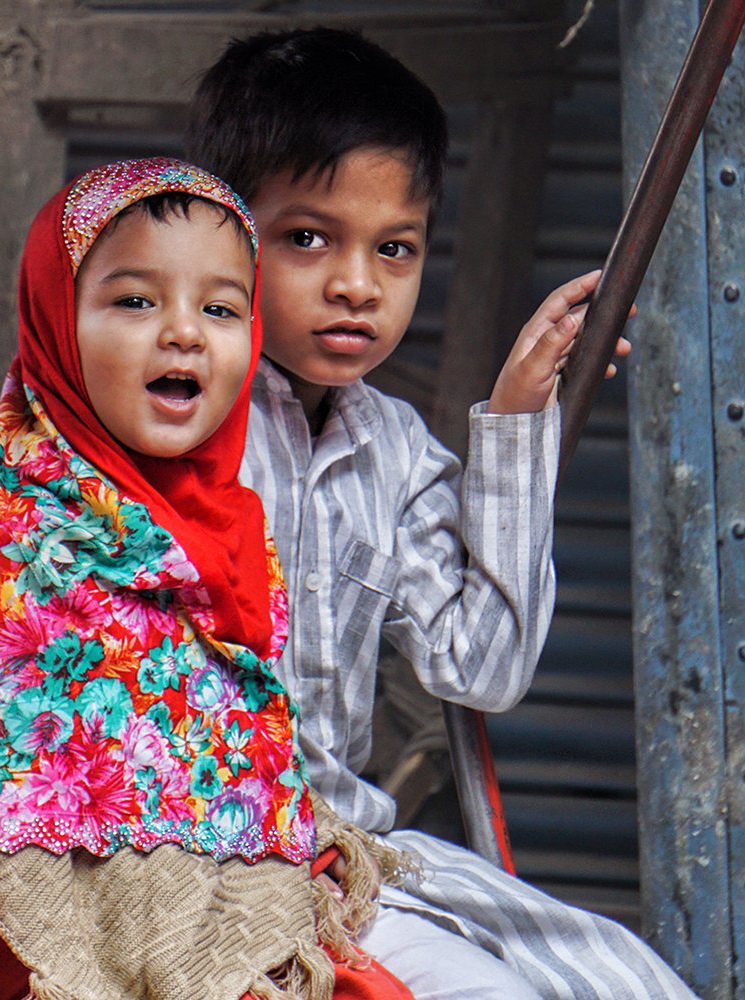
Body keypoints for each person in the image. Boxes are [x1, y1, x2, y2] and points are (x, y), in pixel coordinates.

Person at [186, 27, 699, 1000]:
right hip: (184, 865)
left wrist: (514, 422)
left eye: (394, 248)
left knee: (613, 985)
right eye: (307, 238)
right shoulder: (172, 413)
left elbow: (481, 667)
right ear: (223, 237)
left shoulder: (399, 454)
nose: (357, 284)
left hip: (339, 861)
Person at [0, 157, 416, 1000]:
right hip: (38, 913)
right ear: (57, 326)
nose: (185, 333)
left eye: (221, 309)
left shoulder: (228, 525)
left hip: (213, 887)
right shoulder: (21, 519)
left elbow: (240, 746)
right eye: (136, 301)